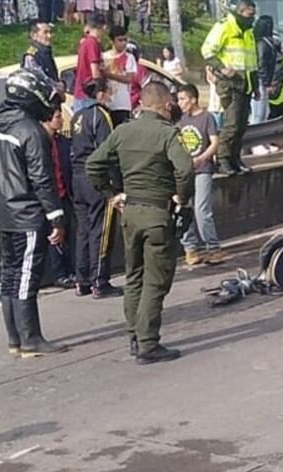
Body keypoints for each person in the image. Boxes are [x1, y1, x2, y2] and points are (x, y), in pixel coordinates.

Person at [86, 81, 194, 365]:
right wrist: (182, 199)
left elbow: (93, 165)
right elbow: (185, 170)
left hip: (130, 212)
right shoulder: (167, 134)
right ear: (163, 104)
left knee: (134, 276)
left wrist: (111, 194)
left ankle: (134, 335)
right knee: (155, 281)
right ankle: (148, 343)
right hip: (157, 213)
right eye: (170, 103)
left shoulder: (123, 131)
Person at [0, 68, 68, 357]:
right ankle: (30, 338)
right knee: (25, 278)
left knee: (9, 275)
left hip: (6, 213)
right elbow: (42, 180)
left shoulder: (1, 127)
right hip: (27, 214)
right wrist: (56, 218)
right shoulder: (30, 131)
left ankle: (15, 339)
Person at [71, 78, 122, 299]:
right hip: (95, 178)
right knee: (101, 230)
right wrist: (116, 186)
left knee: (83, 230)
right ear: (101, 94)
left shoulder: (77, 116)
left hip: (77, 177)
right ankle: (100, 281)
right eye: (109, 91)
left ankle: (82, 279)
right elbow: (108, 152)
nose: (111, 96)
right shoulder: (101, 116)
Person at [202, 0, 258, 176]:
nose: (252, 18)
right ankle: (223, 159)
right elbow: (207, 51)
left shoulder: (248, 32)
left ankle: (235, 158)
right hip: (230, 84)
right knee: (232, 124)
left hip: (245, 84)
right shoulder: (225, 27)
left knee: (241, 124)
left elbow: (252, 61)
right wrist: (222, 68)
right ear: (240, 12)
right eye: (250, 15)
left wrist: (255, 86)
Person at [176, 84, 224, 267]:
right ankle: (190, 248)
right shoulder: (182, 119)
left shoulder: (207, 118)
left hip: (203, 169)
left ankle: (213, 248)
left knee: (202, 210)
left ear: (193, 99)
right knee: (184, 208)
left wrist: (203, 158)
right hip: (186, 171)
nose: (180, 103)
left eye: (183, 99)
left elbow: (214, 143)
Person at [42, 109, 75, 289]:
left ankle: (70, 270)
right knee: (54, 236)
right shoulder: (41, 142)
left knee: (68, 233)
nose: (61, 120)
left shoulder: (62, 142)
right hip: (50, 196)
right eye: (57, 117)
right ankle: (59, 273)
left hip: (64, 193)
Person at [74, 14, 111, 111]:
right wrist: (100, 90)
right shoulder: (92, 43)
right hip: (88, 94)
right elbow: (94, 70)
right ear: (104, 27)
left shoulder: (86, 42)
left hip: (83, 92)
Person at [103, 25, 137, 126]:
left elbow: (129, 78)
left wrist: (109, 75)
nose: (123, 43)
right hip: (106, 102)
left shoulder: (129, 57)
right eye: (120, 40)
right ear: (112, 41)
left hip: (122, 104)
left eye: (125, 40)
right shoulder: (103, 56)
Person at [251, 15, 276, 138]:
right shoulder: (261, 44)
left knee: (266, 112)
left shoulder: (267, 42)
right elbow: (261, 65)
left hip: (264, 81)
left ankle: (263, 140)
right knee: (258, 113)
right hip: (260, 82)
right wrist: (267, 82)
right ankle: (255, 143)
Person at [21, 19, 59, 85]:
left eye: (50, 32)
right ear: (34, 35)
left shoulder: (46, 53)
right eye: (45, 33)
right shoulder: (31, 56)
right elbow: (39, 79)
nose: (49, 36)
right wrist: (56, 86)